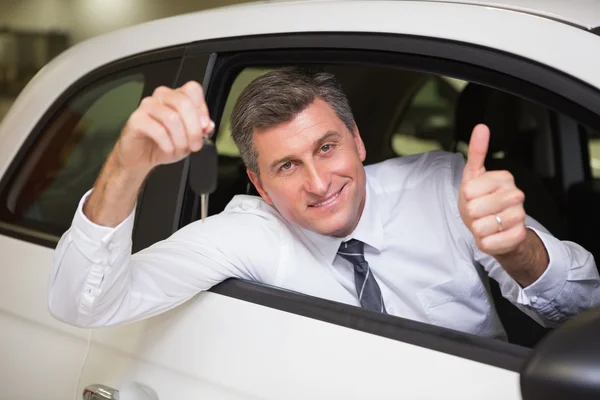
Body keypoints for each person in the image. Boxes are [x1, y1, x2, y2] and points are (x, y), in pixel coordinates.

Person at [48, 67, 600, 339]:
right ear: (260, 185)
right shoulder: (248, 233)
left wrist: (516, 250)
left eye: (327, 147)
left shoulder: (444, 186)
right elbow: (85, 305)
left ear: (358, 141)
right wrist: (127, 165)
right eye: (287, 166)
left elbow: (582, 312)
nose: (318, 182)